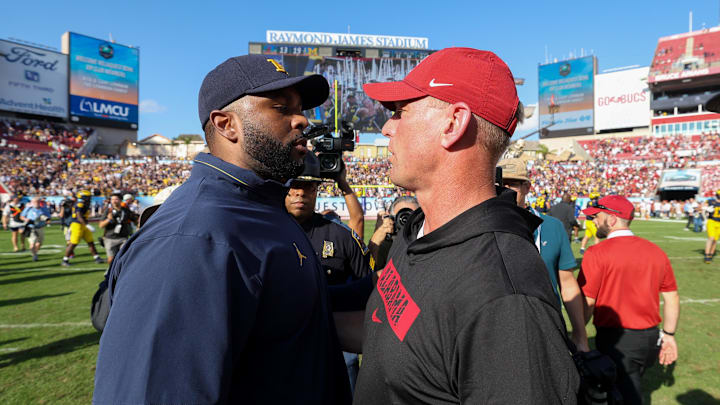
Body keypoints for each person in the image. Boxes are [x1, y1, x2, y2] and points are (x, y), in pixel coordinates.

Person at [94, 55, 354, 404]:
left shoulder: (261, 205)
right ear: (226, 124)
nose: (302, 119)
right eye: (281, 107)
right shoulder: (193, 237)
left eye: (300, 108)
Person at [354, 47, 579, 403]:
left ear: (453, 123)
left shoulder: (506, 300)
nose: (385, 128)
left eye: (400, 113)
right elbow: (390, 335)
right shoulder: (417, 231)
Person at [284, 152, 373, 393]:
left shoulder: (341, 237)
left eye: (308, 186)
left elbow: (366, 291)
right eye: (294, 186)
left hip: (337, 343)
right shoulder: (260, 234)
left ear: (317, 190)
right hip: (281, 345)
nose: (300, 193)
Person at [578, 195, 679, 405]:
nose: (593, 220)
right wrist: (668, 335)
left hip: (618, 339)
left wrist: (579, 335)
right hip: (651, 338)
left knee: (623, 394)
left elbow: (587, 301)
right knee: (628, 385)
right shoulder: (656, 251)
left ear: (612, 219)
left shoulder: (597, 253)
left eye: (597, 216)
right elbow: (671, 297)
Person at [499, 158, 589, 352]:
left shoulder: (552, 227)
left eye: (512, 184)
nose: (504, 189)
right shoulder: (481, 227)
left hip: (548, 326)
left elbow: (567, 283)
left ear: (527, 187)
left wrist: (580, 335)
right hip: (498, 331)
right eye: (499, 184)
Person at [368, 195, 419, 270]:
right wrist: (375, 242)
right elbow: (367, 272)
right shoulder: (385, 246)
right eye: (402, 216)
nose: (407, 221)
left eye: (412, 216)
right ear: (392, 219)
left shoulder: (427, 243)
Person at [62, 190, 104, 266]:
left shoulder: (84, 204)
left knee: (90, 242)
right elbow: (79, 216)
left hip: (83, 224)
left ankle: (97, 257)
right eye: (88, 197)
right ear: (84, 197)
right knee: (73, 243)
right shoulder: (80, 204)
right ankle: (65, 260)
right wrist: (87, 225)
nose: (90, 198)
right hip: (77, 225)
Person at [98, 193, 138, 265]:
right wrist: (108, 219)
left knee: (125, 256)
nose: (114, 201)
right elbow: (101, 226)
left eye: (116, 199)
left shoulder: (125, 211)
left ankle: (122, 272)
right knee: (111, 259)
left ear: (120, 200)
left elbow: (135, 220)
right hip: (110, 238)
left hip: (123, 238)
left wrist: (138, 226)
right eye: (112, 199)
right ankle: (112, 272)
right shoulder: (108, 211)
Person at [705, 190, 720, 263]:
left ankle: (711, 254)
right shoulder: (711, 201)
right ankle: (707, 255)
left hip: (719, 223)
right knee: (711, 237)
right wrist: (706, 209)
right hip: (712, 221)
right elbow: (702, 207)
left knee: (715, 240)